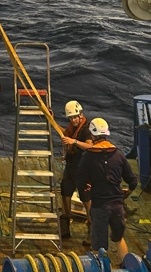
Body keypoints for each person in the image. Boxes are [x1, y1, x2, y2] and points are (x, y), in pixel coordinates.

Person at [76, 118, 135, 261]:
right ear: (107, 134)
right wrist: (126, 193)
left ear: (92, 135)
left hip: (99, 206)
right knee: (118, 238)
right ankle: (127, 266)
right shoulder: (119, 155)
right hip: (117, 206)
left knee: (98, 248)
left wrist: (85, 190)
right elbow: (132, 181)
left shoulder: (88, 156)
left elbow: (80, 180)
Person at [58, 100, 93, 239]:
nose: (73, 120)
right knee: (65, 193)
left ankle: (92, 231)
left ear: (80, 114)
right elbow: (66, 134)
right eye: (70, 118)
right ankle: (65, 228)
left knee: (86, 198)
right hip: (71, 167)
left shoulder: (86, 129)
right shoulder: (72, 128)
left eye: (75, 117)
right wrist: (52, 121)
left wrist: (74, 142)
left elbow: (90, 146)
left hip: (84, 169)